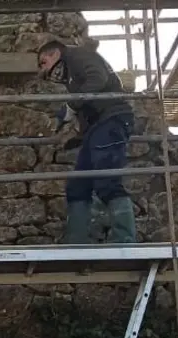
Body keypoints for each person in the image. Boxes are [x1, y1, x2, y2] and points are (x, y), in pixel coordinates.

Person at [37, 39, 137, 244]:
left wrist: (71, 106)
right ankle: (77, 240)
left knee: (107, 181)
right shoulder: (72, 72)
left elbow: (97, 79)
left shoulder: (77, 56)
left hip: (111, 121)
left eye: (43, 62)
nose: (43, 70)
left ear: (55, 53)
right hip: (98, 127)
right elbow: (89, 100)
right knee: (78, 186)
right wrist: (78, 136)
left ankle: (124, 239)